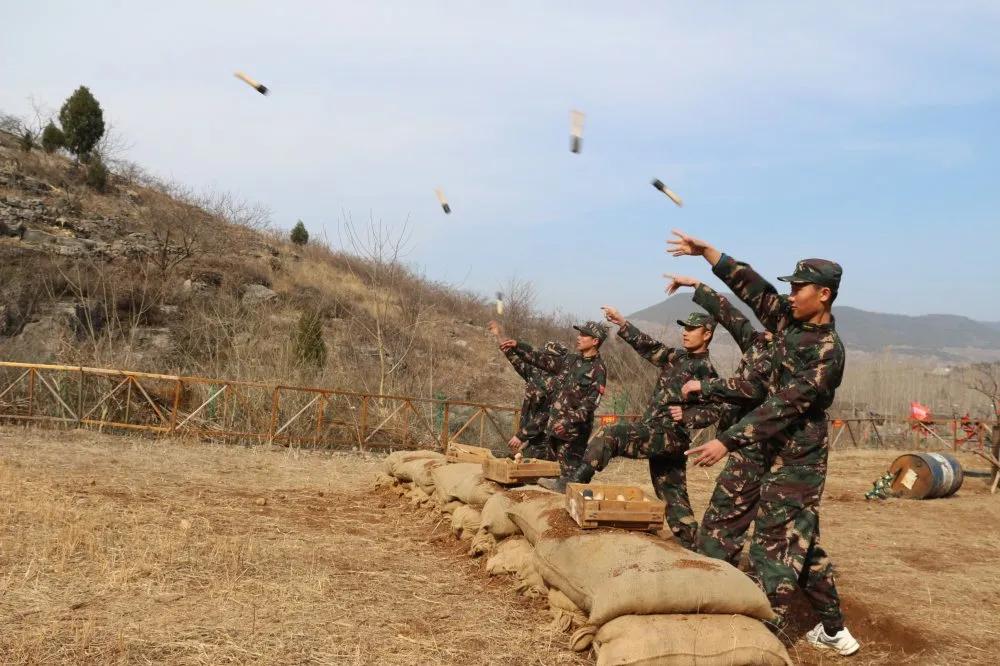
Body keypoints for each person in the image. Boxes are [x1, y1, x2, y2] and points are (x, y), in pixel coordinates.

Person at [669, 229, 860, 657]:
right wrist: (709, 256)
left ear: (824, 294)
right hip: (758, 446)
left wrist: (727, 441)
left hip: (797, 456)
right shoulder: (786, 320)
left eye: (798, 288)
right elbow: (754, 291)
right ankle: (705, 606)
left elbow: (785, 407)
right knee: (719, 527)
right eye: (790, 287)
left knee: (777, 550)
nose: (790, 295)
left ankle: (756, 648)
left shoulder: (829, 352)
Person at [551, 305, 719, 550]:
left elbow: (716, 410)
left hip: (668, 434)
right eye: (685, 327)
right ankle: (696, 547)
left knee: (610, 435)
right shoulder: (677, 357)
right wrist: (622, 323)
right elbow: (649, 346)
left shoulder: (707, 371)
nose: (686, 332)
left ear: (707, 334)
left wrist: (688, 414)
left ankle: (573, 481)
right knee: (675, 499)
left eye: (693, 329)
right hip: (659, 435)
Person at [663, 274, 777, 566]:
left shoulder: (785, 354)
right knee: (771, 528)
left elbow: (754, 389)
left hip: (761, 446)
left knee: (722, 526)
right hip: (743, 442)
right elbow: (730, 315)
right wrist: (697, 286)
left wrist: (707, 387)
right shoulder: (757, 343)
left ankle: (712, 582)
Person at [499, 321, 608, 478]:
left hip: (572, 436)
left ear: (595, 341)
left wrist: (566, 422)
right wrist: (518, 346)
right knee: (548, 474)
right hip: (552, 433)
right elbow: (540, 359)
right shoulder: (570, 361)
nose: (579, 337)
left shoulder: (598, 370)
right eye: (579, 334)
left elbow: (589, 405)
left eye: (583, 335)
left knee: (569, 478)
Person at [489, 320, 567, 460]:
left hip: (547, 443)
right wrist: (499, 334)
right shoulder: (536, 374)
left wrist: (522, 435)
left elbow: (546, 415)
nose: (542, 359)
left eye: (547, 357)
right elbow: (512, 356)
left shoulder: (560, 383)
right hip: (531, 439)